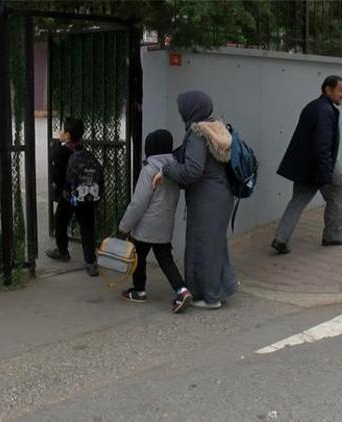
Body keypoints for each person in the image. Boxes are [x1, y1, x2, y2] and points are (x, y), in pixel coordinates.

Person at [153, 90, 238, 310]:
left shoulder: (197, 133)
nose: (180, 110)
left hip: (206, 198)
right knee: (215, 244)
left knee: (203, 245)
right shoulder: (216, 126)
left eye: (182, 106)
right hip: (222, 193)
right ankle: (221, 288)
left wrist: (167, 169)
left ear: (191, 108)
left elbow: (193, 170)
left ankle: (209, 297)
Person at [272, 75, 342, 255]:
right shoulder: (325, 111)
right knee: (337, 195)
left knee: (297, 201)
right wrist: (325, 175)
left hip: (304, 166)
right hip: (321, 164)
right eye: (340, 90)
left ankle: (281, 238)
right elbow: (322, 145)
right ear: (328, 90)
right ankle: (333, 234)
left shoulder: (314, 106)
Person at [117, 129, 192, 313]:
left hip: (146, 225)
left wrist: (124, 226)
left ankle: (139, 290)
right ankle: (181, 289)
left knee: (138, 256)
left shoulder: (149, 170)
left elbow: (138, 203)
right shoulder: (174, 169)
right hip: (165, 223)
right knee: (165, 259)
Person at [45, 118, 99, 277]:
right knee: (87, 226)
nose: (60, 132)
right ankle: (90, 262)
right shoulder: (84, 150)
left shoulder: (61, 152)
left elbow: (56, 176)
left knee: (60, 220)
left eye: (62, 130)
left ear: (67, 135)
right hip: (85, 194)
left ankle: (62, 251)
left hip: (68, 196)